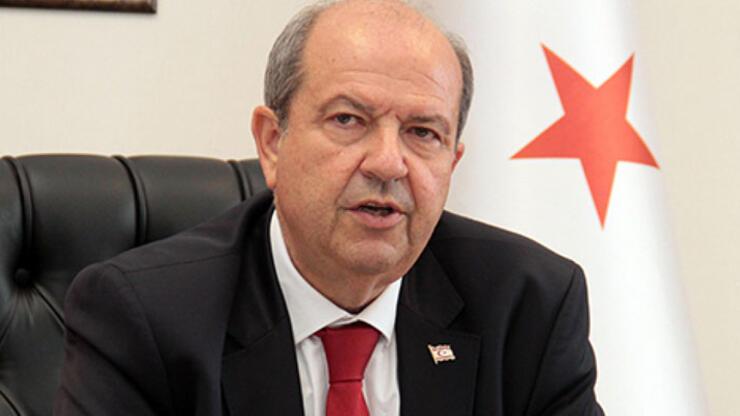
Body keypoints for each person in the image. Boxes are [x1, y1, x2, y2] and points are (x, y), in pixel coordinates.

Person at [54, 0, 604, 415]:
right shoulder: (144, 318)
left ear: (452, 162)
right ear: (273, 143)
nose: (388, 163)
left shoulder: (529, 305)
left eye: (422, 132)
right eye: (348, 120)